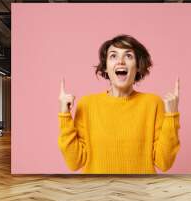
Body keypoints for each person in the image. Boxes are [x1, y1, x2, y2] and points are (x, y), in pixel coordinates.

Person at [58, 34, 180, 174]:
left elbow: (164, 163)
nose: (121, 61)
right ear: (105, 68)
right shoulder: (87, 105)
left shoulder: (153, 103)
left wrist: (172, 116)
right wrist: (64, 116)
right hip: (97, 194)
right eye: (113, 56)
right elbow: (74, 163)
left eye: (128, 56)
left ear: (138, 67)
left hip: (140, 194)